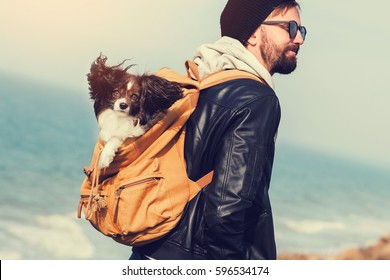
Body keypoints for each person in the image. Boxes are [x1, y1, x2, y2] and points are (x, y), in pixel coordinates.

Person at [131, 0, 306, 260]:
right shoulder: (257, 99)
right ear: (254, 34)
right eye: (290, 27)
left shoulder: (201, 79)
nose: (299, 39)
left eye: (302, 31)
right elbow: (228, 207)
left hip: (151, 248)